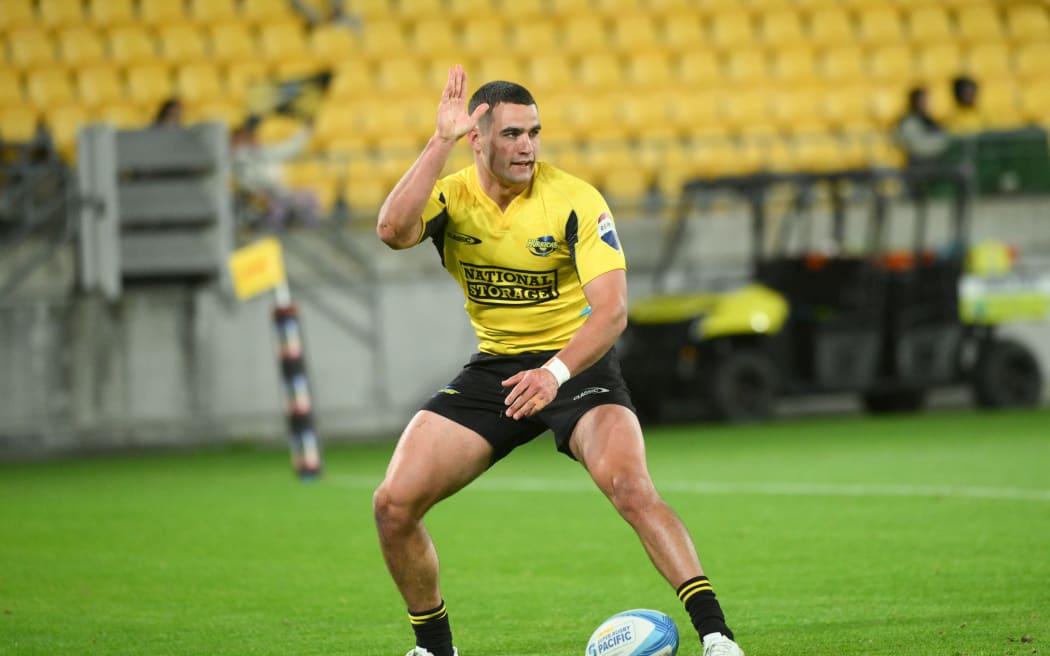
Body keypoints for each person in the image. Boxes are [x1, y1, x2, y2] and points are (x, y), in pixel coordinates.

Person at [372, 65, 745, 656]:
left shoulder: (574, 199)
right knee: (393, 506)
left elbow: (612, 313)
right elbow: (392, 231)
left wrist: (555, 373)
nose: (527, 147)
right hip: (496, 369)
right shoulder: (452, 195)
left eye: (534, 133)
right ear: (478, 139)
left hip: (577, 365)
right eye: (512, 135)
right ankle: (433, 648)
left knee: (630, 487)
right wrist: (437, 141)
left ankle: (717, 636)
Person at [230, 115, 319, 229]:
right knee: (278, 207)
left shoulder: (262, 152)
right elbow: (246, 182)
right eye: (245, 137)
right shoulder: (237, 159)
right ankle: (271, 230)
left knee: (309, 197)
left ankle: (308, 231)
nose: (252, 138)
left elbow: (288, 148)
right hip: (258, 198)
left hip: (278, 195)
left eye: (250, 136)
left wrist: (306, 131)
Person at [893, 86, 951, 166]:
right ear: (914, 101)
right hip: (915, 166)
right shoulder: (909, 122)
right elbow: (919, 148)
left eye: (927, 100)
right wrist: (943, 144)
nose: (925, 103)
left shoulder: (932, 121)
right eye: (922, 100)